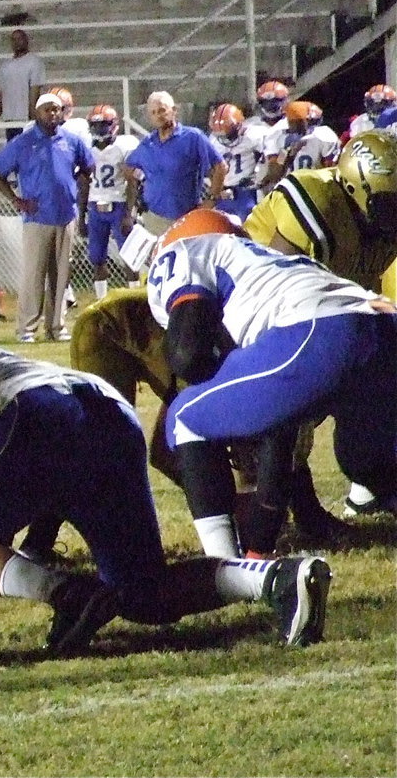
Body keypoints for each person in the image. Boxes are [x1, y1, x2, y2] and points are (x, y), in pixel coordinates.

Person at [0, 294, 333, 651]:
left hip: (30, 420)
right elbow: (5, 499)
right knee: (143, 594)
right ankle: (277, 580)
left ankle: (70, 596)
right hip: (98, 408)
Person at [146, 208, 397, 563]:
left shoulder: (187, 251)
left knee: (185, 416)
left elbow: (188, 353)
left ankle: (228, 568)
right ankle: (255, 557)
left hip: (321, 333)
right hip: (385, 326)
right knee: (362, 460)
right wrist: (260, 546)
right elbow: (280, 439)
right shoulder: (276, 267)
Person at [244, 130, 397, 520]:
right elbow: (274, 286)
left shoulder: (379, 225)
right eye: (389, 202)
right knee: (291, 413)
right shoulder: (318, 200)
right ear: (352, 184)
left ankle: (371, 485)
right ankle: (286, 513)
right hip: (257, 315)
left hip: (329, 315)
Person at [0, 92, 94, 343]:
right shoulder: (24, 142)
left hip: (66, 214)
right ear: (37, 112)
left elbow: (88, 166)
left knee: (61, 277)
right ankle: (26, 328)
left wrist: (77, 182)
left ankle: (56, 326)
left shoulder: (71, 140)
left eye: (57, 109)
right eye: (47, 109)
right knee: (33, 276)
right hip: (37, 216)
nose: (53, 114)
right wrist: (16, 199)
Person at [124, 90, 227, 235]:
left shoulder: (193, 137)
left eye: (161, 110)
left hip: (186, 218)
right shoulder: (147, 144)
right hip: (154, 219)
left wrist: (211, 200)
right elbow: (128, 169)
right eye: (153, 113)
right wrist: (140, 186)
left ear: (174, 111)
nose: (158, 116)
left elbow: (220, 167)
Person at [81, 104, 139, 299]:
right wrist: (82, 217)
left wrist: (129, 213)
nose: (99, 130)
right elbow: (83, 184)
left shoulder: (124, 147)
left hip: (119, 205)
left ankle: (134, 298)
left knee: (129, 257)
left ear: (114, 125)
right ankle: (101, 300)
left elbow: (132, 182)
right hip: (95, 207)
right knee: (97, 258)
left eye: (103, 125)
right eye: (95, 126)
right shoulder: (87, 150)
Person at [0, 30, 47, 141]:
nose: (17, 42)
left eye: (19, 39)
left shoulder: (34, 62)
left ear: (26, 40)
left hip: (26, 119)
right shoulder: (5, 66)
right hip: (10, 118)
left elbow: (34, 90)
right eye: (14, 39)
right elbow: (2, 92)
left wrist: (33, 116)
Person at [208, 102, 262, 221]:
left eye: (228, 135)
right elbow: (210, 168)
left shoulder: (253, 135)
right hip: (224, 192)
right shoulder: (213, 141)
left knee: (249, 221)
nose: (224, 139)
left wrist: (258, 175)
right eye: (220, 135)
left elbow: (268, 157)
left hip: (246, 190)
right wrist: (217, 188)